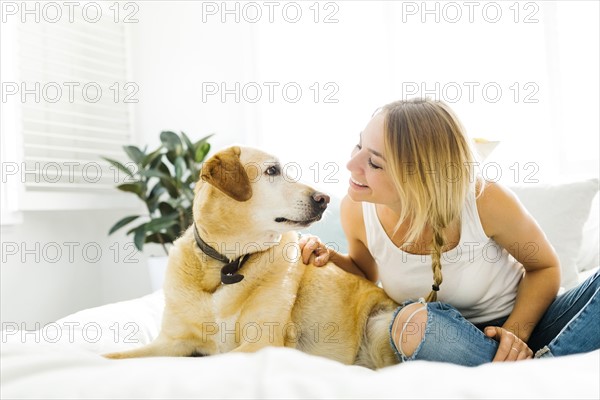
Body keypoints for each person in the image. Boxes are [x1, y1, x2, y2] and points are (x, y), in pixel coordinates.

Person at [299, 98, 599, 366]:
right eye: (359, 145)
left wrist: (513, 336)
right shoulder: (357, 209)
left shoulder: (485, 200)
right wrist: (331, 256)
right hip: (446, 340)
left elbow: (544, 267)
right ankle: (536, 371)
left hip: (529, 323)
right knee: (408, 323)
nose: (351, 164)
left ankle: (524, 373)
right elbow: (366, 271)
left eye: (374, 163)